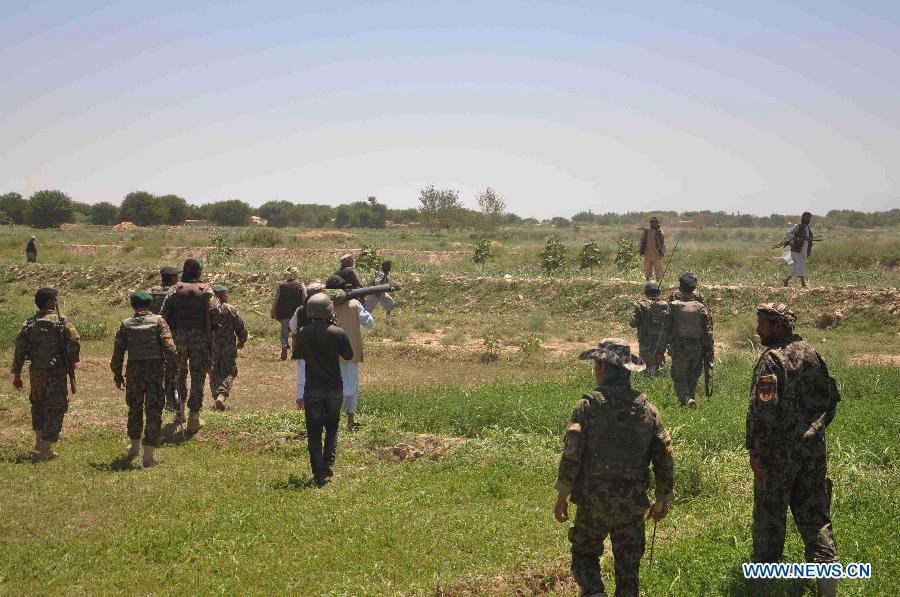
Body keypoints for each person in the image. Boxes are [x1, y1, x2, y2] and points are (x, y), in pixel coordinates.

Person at [554, 338, 674, 597]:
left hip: (592, 502)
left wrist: (562, 495)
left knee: (584, 555)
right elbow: (664, 457)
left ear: (604, 368)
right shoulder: (648, 410)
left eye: (597, 365)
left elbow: (572, 455)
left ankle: (595, 592)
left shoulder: (587, 407)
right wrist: (663, 497)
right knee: (628, 571)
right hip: (632, 505)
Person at [747, 303, 840, 597]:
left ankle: (764, 583)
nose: (758, 329)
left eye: (762, 323)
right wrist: (814, 432)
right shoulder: (814, 354)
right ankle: (828, 580)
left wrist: (757, 451)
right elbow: (831, 399)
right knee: (815, 517)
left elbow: (763, 412)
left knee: (769, 518)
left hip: (777, 456)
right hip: (812, 453)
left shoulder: (772, 360)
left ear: (778, 326)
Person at [11, 287, 81, 461]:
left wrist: (17, 375)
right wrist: (73, 360)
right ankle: (45, 448)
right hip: (56, 372)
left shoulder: (29, 323)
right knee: (56, 406)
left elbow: (19, 350)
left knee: (38, 404)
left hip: (36, 372)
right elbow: (75, 342)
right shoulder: (63, 322)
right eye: (55, 299)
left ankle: (38, 442)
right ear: (51, 302)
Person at [110, 291, 178, 467]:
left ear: (133, 305)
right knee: (154, 410)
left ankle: (133, 448)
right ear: (149, 305)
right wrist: (173, 371)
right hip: (155, 372)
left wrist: (117, 374)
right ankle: (148, 456)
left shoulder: (126, 324)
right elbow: (170, 349)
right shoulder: (159, 321)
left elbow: (117, 353)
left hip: (134, 372)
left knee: (135, 409)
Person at [293, 293, 353, 487]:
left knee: (314, 431)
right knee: (332, 426)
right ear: (329, 311)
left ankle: (318, 473)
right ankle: (328, 463)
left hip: (313, 389)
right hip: (334, 387)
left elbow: (298, 354)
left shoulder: (303, 332)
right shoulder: (338, 332)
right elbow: (348, 354)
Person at [160, 258, 220, 432]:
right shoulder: (206, 289)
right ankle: (194, 417)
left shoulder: (175, 289)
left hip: (177, 339)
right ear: (199, 272)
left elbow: (163, 315)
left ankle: (180, 413)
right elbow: (215, 311)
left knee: (179, 374)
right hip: (200, 340)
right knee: (198, 377)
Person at [326, 275, 374, 430]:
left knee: (332, 386)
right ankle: (350, 420)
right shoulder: (354, 304)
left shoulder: (325, 305)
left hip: (330, 354)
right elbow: (370, 323)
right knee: (351, 387)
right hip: (350, 352)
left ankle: (332, 420)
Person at [666, 273, 713, 407]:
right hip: (697, 346)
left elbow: (665, 329)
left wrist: (660, 349)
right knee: (693, 374)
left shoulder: (674, 305)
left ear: (680, 287)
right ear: (694, 288)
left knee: (679, 375)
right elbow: (708, 330)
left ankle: (686, 399)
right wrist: (709, 349)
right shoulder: (701, 306)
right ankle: (690, 399)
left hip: (679, 346)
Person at [209, 284, 247, 411]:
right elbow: (240, 327)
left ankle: (217, 398)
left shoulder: (207, 309)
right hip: (228, 346)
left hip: (211, 347)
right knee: (229, 371)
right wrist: (242, 341)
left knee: (214, 371)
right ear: (221, 296)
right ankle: (221, 396)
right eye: (226, 294)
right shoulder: (230, 309)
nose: (227, 296)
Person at [289, 281, 325, 411]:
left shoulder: (300, 309)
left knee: (302, 379)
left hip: (303, 349)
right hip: (320, 350)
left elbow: (292, 328)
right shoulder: (325, 310)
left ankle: (301, 405)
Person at [150, 265, 180, 412]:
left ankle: (158, 400)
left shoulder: (152, 292)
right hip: (172, 334)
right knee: (173, 368)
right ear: (174, 278)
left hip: (154, 335)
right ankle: (172, 401)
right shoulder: (176, 292)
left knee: (157, 368)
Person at [629, 281, 668, 375]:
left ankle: (647, 377)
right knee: (659, 358)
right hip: (661, 339)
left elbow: (633, 323)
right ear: (659, 292)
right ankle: (659, 375)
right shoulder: (666, 305)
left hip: (645, 339)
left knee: (645, 363)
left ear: (646, 292)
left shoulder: (642, 305)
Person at [271, 267, 306, 361]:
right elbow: (304, 299)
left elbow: (276, 300)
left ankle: (284, 346)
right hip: (296, 313)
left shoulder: (281, 286)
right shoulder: (300, 285)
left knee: (284, 332)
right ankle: (294, 353)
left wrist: (273, 311)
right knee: (295, 333)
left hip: (284, 314)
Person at [782, 212, 814, 288]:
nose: (808, 219)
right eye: (806, 217)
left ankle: (786, 280)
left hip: (804, 250)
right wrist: (796, 239)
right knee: (801, 264)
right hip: (796, 250)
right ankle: (803, 283)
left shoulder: (807, 228)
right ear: (803, 218)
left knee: (795, 266)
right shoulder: (798, 226)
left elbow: (809, 240)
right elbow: (788, 234)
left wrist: (808, 250)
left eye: (809, 218)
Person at [639, 217, 665, 281]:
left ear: (657, 223)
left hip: (657, 254)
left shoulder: (660, 232)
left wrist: (662, 251)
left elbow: (663, 243)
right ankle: (648, 282)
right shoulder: (646, 231)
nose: (654, 223)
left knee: (658, 268)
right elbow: (642, 241)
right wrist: (641, 250)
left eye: (655, 222)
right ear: (651, 223)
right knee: (647, 268)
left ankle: (657, 282)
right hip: (647, 253)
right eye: (653, 222)